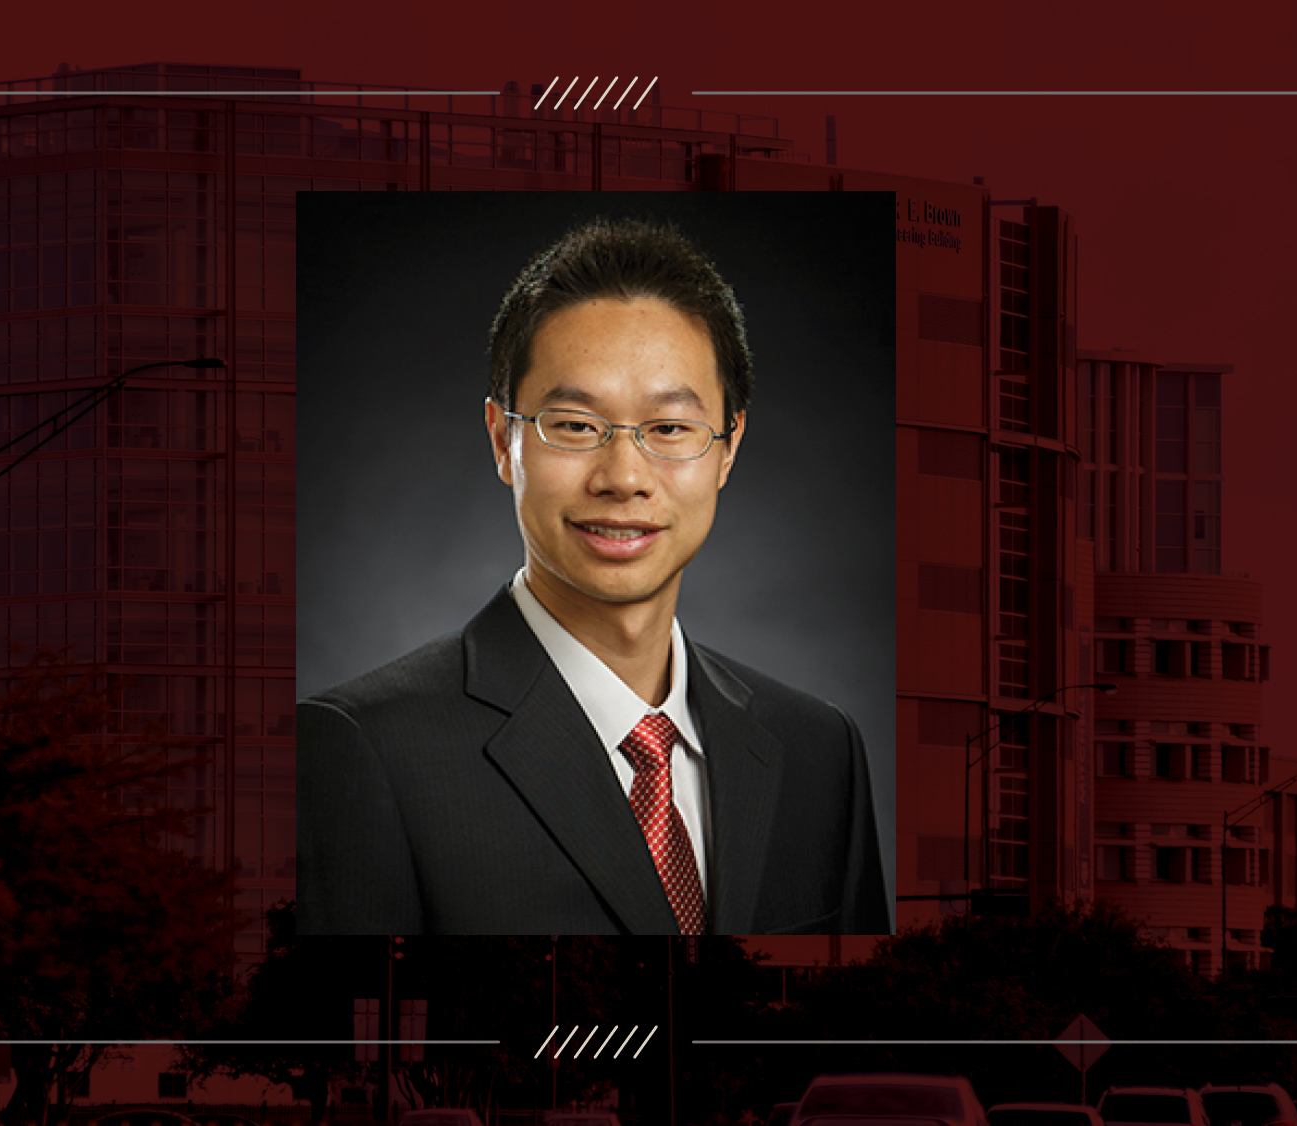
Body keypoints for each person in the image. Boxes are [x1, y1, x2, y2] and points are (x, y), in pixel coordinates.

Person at [297, 217, 887, 935]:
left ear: (728, 448)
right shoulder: (360, 752)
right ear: (503, 440)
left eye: (669, 428)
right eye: (575, 425)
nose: (624, 477)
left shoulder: (820, 751)